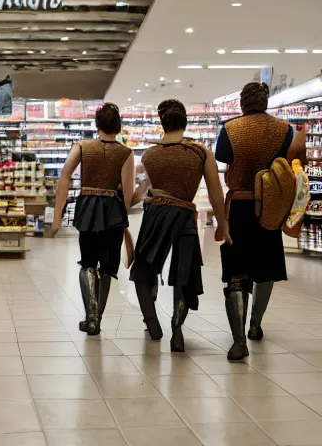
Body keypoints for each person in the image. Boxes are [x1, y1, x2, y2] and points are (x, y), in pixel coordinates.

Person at [130, 99, 231, 352]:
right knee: (184, 274)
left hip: (156, 216)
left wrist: (120, 208)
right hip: (185, 215)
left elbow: (142, 191)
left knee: (143, 271)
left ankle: (152, 324)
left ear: (161, 123)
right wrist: (223, 224)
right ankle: (177, 329)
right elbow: (216, 192)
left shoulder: (149, 155)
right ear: (185, 122)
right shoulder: (201, 153)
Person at [215, 82, 306, 361]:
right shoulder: (285, 130)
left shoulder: (230, 129)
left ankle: (238, 340)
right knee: (265, 266)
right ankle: (255, 325)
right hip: (271, 206)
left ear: (242, 102)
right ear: (266, 102)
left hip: (240, 206)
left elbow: (222, 158)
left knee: (236, 270)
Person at [48, 103, 134, 335]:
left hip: (88, 207)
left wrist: (57, 216)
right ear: (118, 126)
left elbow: (65, 174)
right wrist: (123, 220)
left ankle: (90, 316)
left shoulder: (82, 146)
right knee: (107, 266)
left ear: (97, 124)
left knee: (87, 262)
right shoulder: (126, 153)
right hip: (113, 211)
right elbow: (127, 191)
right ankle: (98, 317)